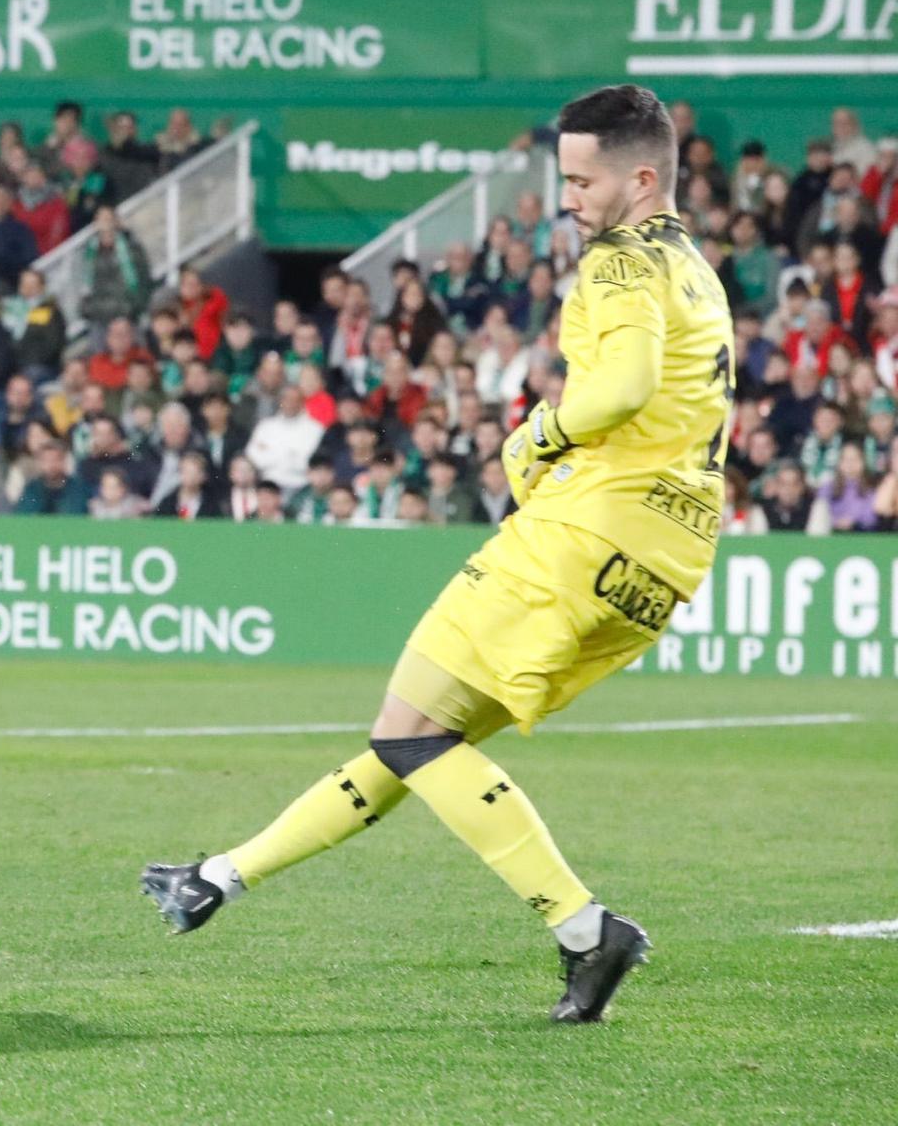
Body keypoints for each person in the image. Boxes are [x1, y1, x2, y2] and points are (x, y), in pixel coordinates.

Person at [145, 86, 734, 1024]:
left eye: (583, 181)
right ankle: (218, 876)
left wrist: (537, 433)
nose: (569, 197)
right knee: (421, 738)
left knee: (413, 733)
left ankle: (586, 930)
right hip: (665, 557)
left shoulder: (620, 263)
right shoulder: (694, 268)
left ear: (644, 177)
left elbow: (622, 386)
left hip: (585, 531)